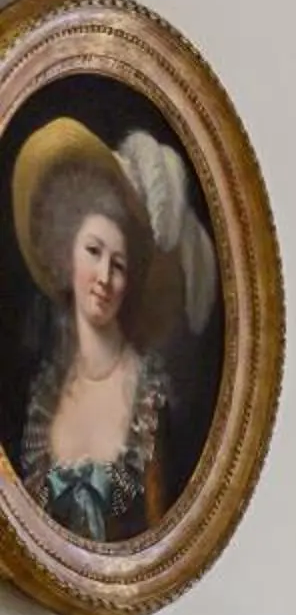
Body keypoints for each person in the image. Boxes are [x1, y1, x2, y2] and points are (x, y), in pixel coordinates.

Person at [12, 117, 177, 541]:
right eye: (93, 251)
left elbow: (158, 544)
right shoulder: (45, 393)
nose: (104, 276)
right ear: (68, 255)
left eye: (118, 265)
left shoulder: (148, 395)